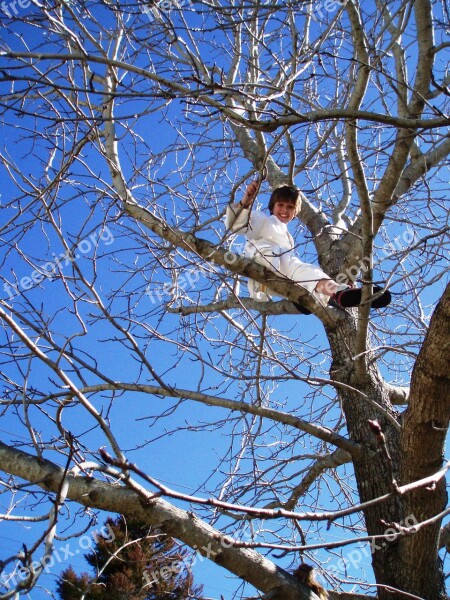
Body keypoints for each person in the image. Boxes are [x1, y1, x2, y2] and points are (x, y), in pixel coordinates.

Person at [225, 181, 391, 313]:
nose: (284, 210)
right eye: (280, 205)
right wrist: (246, 199)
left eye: (290, 207)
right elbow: (237, 225)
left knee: (308, 281)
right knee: (305, 271)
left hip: (277, 274)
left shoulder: (287, 237)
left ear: (295, 212)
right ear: (272, 206)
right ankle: (338, 292)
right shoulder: (264, 221)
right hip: (266, 259)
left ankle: (314, 298)